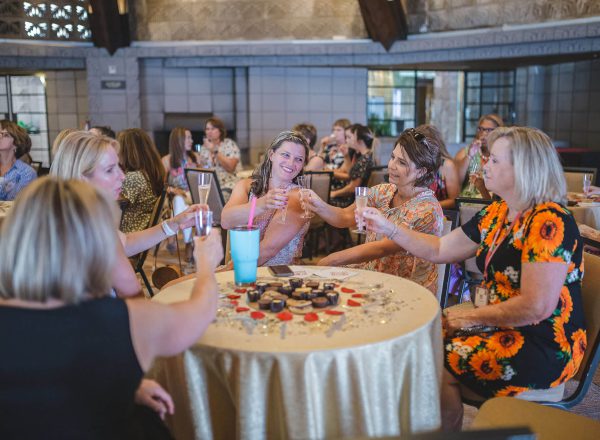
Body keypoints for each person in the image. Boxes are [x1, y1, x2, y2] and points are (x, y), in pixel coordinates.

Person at [361, 126, 586, 430]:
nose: (483, 167)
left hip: (542, 342)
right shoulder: (498, 211)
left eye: (494, 161)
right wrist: (390, 228)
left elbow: (537, 307)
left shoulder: (549, 221)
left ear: (523, 168)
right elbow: (440, 248)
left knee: (435, 362)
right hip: (500, 321)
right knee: (417, 341)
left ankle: (441, 429)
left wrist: (470, 317)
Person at [0, 177, 222, 438]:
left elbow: (43, 383)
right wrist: (206, 265)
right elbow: (200, 312)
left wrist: (122, 382)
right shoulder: (123, 320)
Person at [51, 131, 198, 297]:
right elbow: (137, 305)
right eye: (109, 170)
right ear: (81, 178)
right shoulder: (93, 231)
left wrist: (174, 224)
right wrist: (207, 266)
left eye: (119, 167)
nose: (122, 177)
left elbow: (125, 242)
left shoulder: (69, 217)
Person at [306, 128, 444, 293]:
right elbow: (343, 217)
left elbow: (381, 248)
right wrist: (317, 204)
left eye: (402, 163)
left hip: (407, 288)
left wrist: (330, 260)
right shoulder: (383, 192)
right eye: (393, 157)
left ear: (422, 171)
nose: (392, 165)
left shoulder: (427, 210)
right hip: (374, 276)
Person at [221, 131, 309, 265]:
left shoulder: (298, 197)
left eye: (299, 159)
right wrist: (261, 205)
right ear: (271, 155)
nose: (291, 163)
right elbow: (226, 221)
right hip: (240, 266)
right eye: (285, 155)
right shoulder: (246, 186)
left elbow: (268, 250)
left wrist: (230, 270)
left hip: (276, 276)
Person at [162, 127, 201, 258]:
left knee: (189, 206)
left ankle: (173, 235)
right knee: (180, 201)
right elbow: (161, 186)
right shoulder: (167, 160)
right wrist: (174, 190)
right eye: (188, 138)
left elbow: (202, 177)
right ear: (178, 140)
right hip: (176, 197)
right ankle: (188, 242)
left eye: (191, 137)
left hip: (193, 196)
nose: (191, 140)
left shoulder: (195, 158)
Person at [117, 129, 166, 233]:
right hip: (142, 233)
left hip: (129, 237)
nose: (116, 152)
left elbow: (114, 204)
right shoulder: (147, 174)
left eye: (118, 147)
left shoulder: (134, 178)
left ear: (127, 151)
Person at [455, 114, 504, 198]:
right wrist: (469, 155)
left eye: (488, 130)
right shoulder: (465, 152)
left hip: (492, 203)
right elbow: (456, 181)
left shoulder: (503, 155)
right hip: (467, 201)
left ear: (498, 133)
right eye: (480, 129)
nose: (483, 133)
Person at [330, 123, 375, 207]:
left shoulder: (364, 159)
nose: (347, 140)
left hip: (353, 202)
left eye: (350, 137)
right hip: (355, 199)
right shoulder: (366, 157)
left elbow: (352, 189)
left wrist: (334, 193)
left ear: (359, 141)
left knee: (324, 198)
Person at [198, 117, 241, 201]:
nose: (209, 131)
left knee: (218, 198)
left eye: (213, 128)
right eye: (207, 129)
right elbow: (201, 170)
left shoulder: (229, 144)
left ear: (220, 131)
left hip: (228, 185)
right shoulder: (203, 148)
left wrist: (214, 150)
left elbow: (231, 167)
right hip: (209, 187)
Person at [418, 124, 460, 209]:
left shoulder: (447, 165)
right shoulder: (416, 163)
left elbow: (455, 201)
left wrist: (429, 207)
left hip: (443, 214)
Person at [0, 120, 37, 201]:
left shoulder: (27, 173)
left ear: (16, 144)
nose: (0, 137)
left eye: (5, 135)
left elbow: (16, 203)